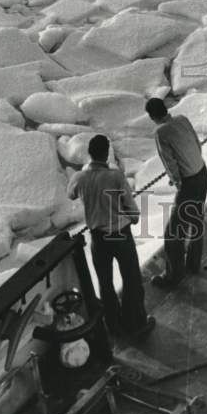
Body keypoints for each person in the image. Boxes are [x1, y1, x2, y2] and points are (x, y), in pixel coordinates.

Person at [69, 135, 154, 339]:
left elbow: (70, 194)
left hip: (98, 238)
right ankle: (136, 323)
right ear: (107, 153)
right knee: (131, 278)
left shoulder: (80, 178)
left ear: (89, 153)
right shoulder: (115, 176)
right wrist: (132, 219)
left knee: (105, 283)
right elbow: (132, 210)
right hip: (120, 236)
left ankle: (114, 325)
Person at [145, 98, 207, 288]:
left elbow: (169, 162)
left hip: (189, 182)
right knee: (196, 221)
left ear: (151, 116)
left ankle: (173, 276)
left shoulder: (160, 132)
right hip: (202, 174)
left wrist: (178, 181)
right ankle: (193, 264)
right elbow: (197, 144)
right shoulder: (182, 119)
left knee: (173, 233)